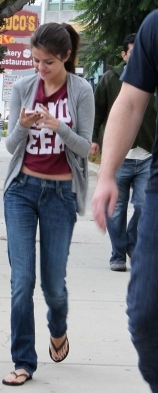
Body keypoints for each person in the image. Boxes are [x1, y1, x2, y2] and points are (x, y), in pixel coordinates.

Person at [2, 22, 94, 386]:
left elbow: (87, 148)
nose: (40, 68)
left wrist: (59, 127)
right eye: (36, 59)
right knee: (22, 281)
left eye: (48, 62)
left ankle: (58, 329)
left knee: (54, 285)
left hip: (60, 195)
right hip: (21, 190)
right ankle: (23, 361)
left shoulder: (81, 90)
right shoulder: (24, 87)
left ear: (66, 57)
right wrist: (24, 125)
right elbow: (11, 146)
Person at [92, 10, 158, 393]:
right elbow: (128, 103)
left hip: (146, 156)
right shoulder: (154, 28)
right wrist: (105, 175)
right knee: (146, 315)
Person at [91, 33, 156, 272]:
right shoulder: (110, 78)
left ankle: (132, 242)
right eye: (133, 52)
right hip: (119, 157)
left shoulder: (153, 76)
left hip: (148, 154)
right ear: (124, 55)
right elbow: (98, 111)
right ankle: (118, 253)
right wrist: (94, 140)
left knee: (145, 205)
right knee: (116, 209)